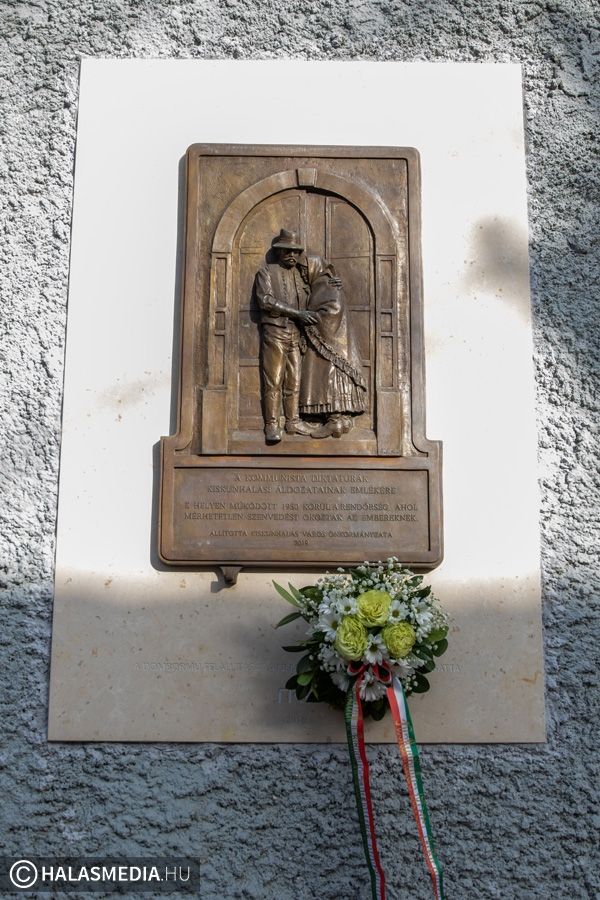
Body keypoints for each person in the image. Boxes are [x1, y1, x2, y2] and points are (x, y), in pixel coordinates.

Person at [254, 230, 317, 443]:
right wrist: (297, 313)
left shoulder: (300, 276)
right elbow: (266, 301)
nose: (292, 255)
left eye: (296, 251)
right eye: (287, 251)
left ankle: (292, 421)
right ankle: (272, 424)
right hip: (275, 332)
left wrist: (331, 284)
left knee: (294, 380)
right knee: (273, 380)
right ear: (279, 252)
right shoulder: (266, 272)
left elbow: (312, 296)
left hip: (295, 334)